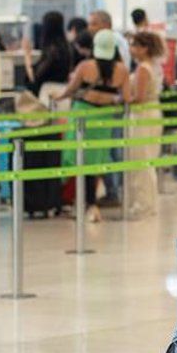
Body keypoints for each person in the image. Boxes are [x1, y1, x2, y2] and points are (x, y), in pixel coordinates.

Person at [64, 29, 130, 219]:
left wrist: (58, 97)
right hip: (105, 118)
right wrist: (111, 98)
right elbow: (126, 98)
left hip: (82, 114)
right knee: (97, 160)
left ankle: (82, 203)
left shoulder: (85, 66)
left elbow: (71, 89)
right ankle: (91, 204)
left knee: (79, 158)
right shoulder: (122, 70)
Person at [121, 31, 166, 220]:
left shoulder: (142, 69)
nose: (131, 49)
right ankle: (149, 204)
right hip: (153, 112)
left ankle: (142, 205)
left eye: (134, 46)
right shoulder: (155, 67)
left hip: (142, 115)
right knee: (149, 159)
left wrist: (122, 98)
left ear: (144, 48)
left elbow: (138, 98)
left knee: (140, 160)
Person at [23, 10, 75, 106]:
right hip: (64, 94)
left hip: (48, 96)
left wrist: (27, 55)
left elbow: (34, 77)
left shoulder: (51, 51)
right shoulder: (68, 48)